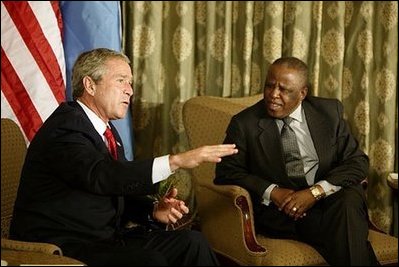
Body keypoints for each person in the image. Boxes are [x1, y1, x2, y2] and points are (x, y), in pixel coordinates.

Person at [10, 48, 238, 266]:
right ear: (90, 85)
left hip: (105, 237)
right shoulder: (65, 128)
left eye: (130, 82)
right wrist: (175, 161)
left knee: (192, 243)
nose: (130, 90)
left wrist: (152, 211)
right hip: (63, 243)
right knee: (149, 262)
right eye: (121, 80)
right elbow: (101, 175)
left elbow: (115, 189)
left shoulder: (106, 130)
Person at [214, 57, 379, 265]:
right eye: (269, 86)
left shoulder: (329, 113)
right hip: (285, 212)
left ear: (302, 93)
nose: (274, 95)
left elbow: (357, 162)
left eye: (284, 90)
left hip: (330, 199)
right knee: (346, 228)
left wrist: (315, 193)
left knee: (347, 202)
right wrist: (273, 191)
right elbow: (226, 172)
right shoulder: (244, 123)